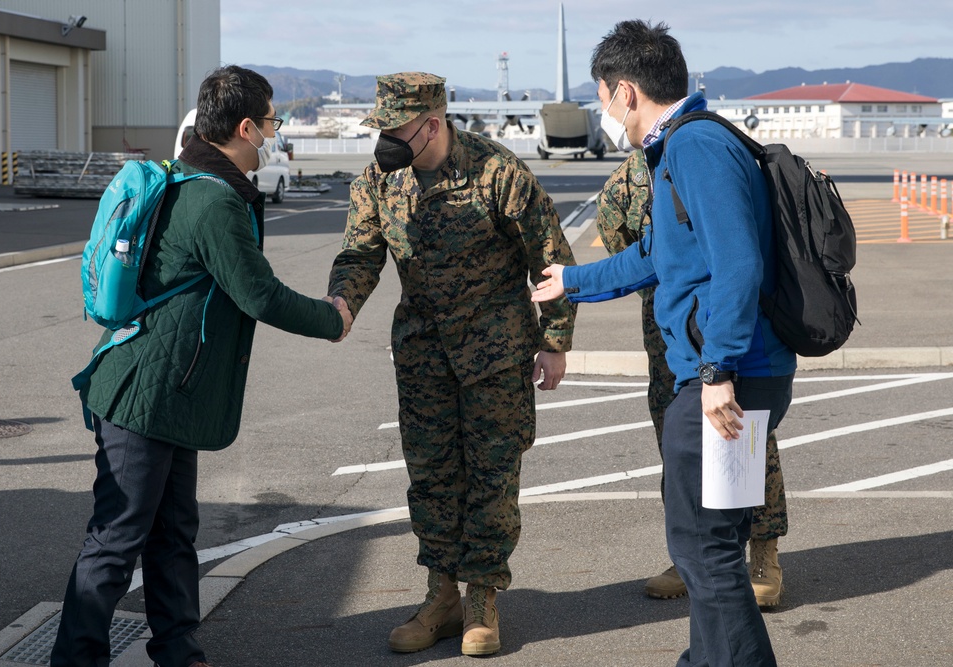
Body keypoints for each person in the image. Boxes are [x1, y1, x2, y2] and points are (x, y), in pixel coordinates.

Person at [52, 65, 352, 667]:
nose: (273, 134)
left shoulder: (194, 178)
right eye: (271, 123)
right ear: (245, 127)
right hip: (146, 394)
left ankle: (179, 650)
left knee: (172, 535)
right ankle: (77, 659)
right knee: (116, 539)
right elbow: (258, 294)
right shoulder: (213, 200)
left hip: (171, 393)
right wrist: (333, 318)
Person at [533, 20, 795, 666]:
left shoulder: (696, 149)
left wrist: (717, 371)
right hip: (732, 372)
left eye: (602, 98)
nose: (605, 113)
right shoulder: (681, 147)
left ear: (626, 91)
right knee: (713, 548)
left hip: (726, 379)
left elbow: (736, 264)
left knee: (702, 548)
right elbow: (659, 255)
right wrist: (573, 281)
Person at [327, 72, 577, 657]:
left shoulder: (498, 173)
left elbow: (549, 258)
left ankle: (483, 598)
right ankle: (441, 598)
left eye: (396, 127)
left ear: (432, 125)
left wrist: (555, 340)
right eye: (380, 126)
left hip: (495, 353)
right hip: (423, 356)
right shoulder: (378, 181)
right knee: (433, 477)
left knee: (493, 477)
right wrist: (341, 303)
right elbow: (360, 253)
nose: (384, 138)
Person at [596, 150, 788, 606]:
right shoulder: (627, 180)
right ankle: (692, 556)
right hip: (668, 332)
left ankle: (763, 550)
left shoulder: (708, 157)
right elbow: (620, 243)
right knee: (678, 444)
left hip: (726, 319)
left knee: (744, 433)